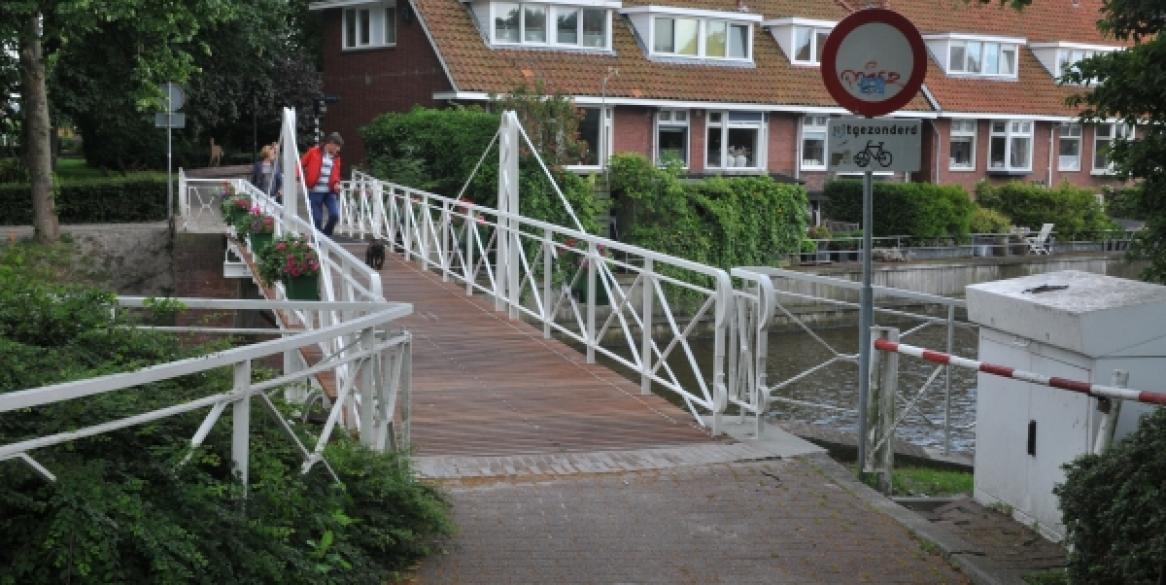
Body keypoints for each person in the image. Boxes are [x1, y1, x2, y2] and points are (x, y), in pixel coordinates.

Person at [300, 132, 343, 236]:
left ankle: (325, 236)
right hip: (315, 191)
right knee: (317, 219)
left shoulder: (336, 158)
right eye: (337, 147)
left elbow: (336, 174)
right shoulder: (313, 152)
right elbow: (300, 163)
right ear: (331, 144)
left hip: (330, 192)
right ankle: (318, 243)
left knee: (334, 215)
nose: (338, 150)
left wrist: (337, 183)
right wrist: (297, 176)